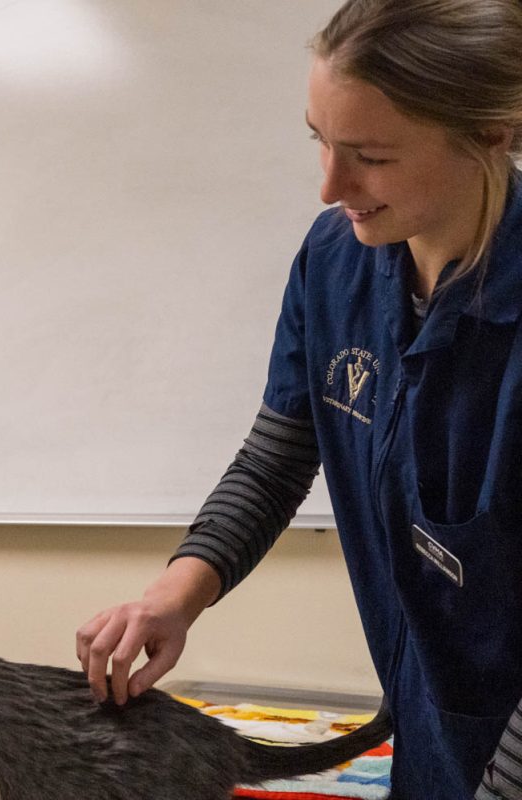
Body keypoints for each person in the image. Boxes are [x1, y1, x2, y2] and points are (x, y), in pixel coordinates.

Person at [76, 1, 522, 798]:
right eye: (318, 140)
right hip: (428, 735)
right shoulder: (336, 263)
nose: (329, 187)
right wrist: (178, 592)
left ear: (493, 132)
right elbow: (279, 455)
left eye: (370, 157)